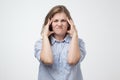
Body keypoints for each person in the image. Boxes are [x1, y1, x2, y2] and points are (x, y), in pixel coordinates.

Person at [34, 5, 86, 80]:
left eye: (63, 21)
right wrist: (45, 36)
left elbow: (72, 60)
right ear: (50, 24)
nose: (59, 24)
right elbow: (47, 60)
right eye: (55, 21)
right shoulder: (40, 44)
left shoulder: (79, 42)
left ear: (69, 23)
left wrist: (75, 35)